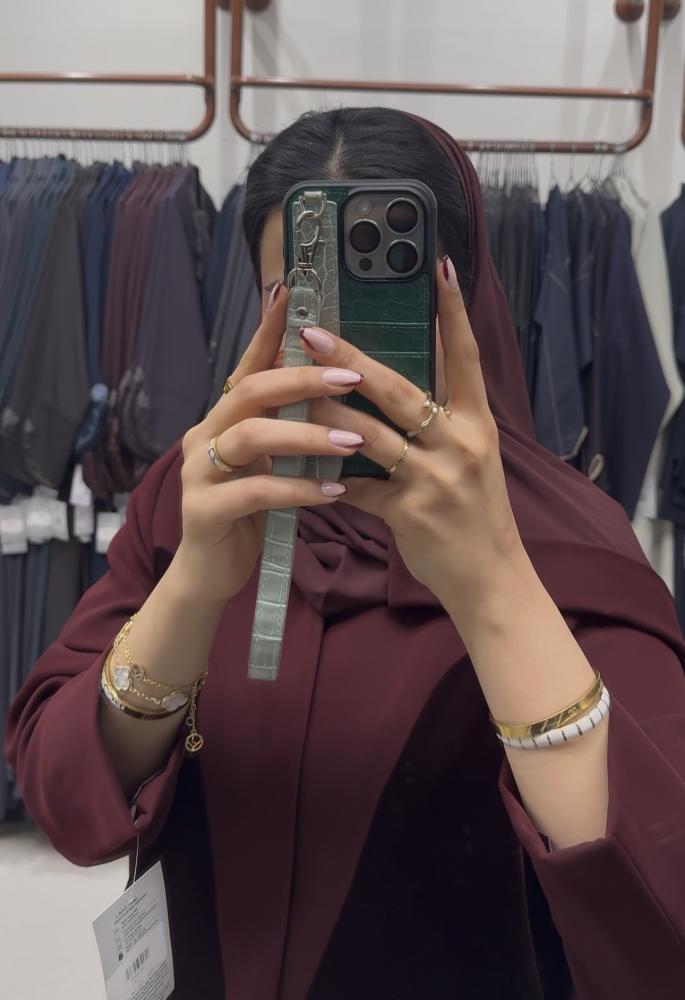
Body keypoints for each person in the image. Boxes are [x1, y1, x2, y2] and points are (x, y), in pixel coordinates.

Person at [5, 107, 685, 1000]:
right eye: (297, 302)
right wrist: (191, 588)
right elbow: (63, 798)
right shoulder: (200, 488)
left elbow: (659, 934)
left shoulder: (567, 537)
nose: (340, 351)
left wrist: (493, 584)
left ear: (462, 301)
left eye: (383, 298)